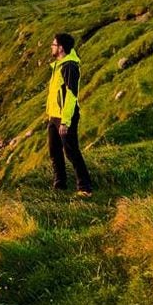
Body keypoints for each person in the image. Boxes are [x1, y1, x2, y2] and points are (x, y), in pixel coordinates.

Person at [45, 32, 93, 194]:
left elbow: (71, 95)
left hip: (66, 116)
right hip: (54, 116)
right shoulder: (59, 64)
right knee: (54, 151)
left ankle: (84, 187)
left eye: (54, 44)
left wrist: (65, 121)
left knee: (71, 151)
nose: (51, 47)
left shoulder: (69, 66)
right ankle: (60, 185)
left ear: (61, 48)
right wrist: (51, 115)